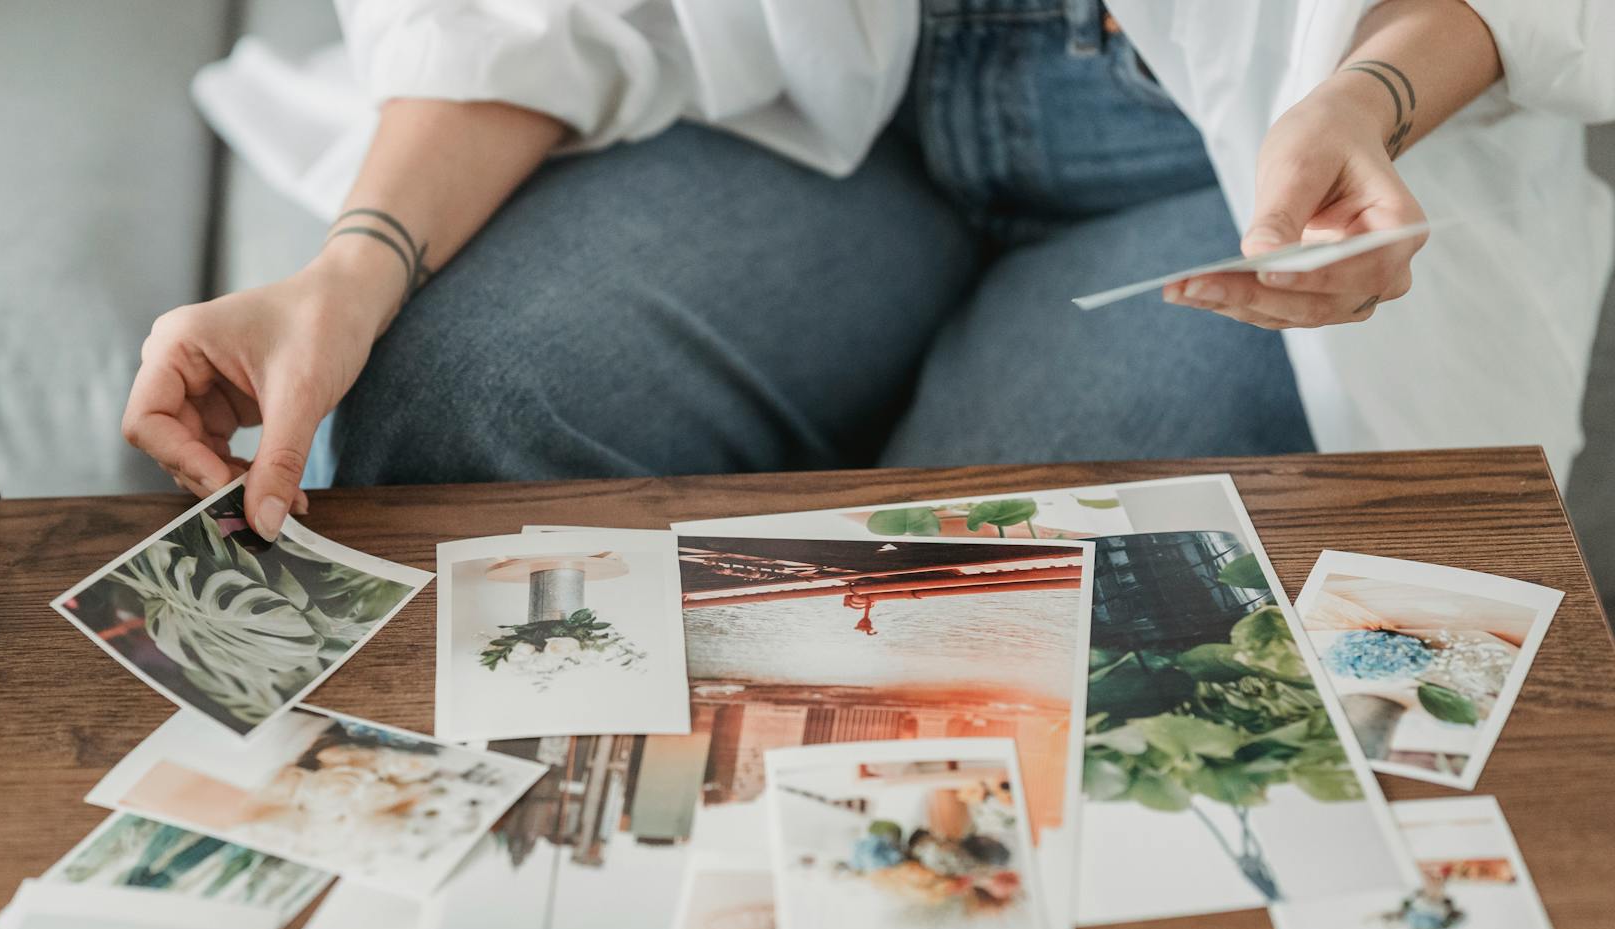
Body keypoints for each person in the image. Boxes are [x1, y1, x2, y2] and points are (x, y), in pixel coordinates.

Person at [123, 1, 1615, 541]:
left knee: (977, 590)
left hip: (1222, 160)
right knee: (449, 408)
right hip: (830, 120)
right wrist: (357, 262)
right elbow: (533, 14)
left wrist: (1369, 97)